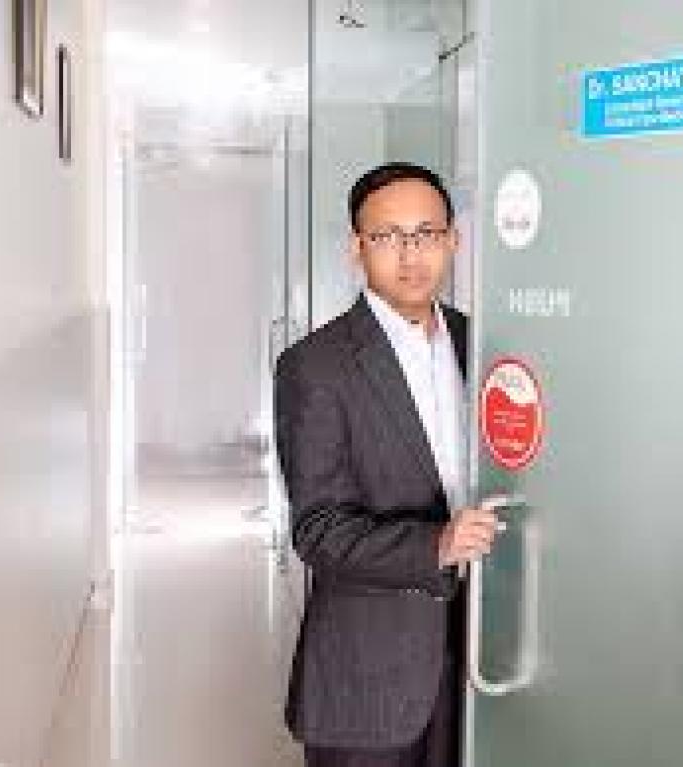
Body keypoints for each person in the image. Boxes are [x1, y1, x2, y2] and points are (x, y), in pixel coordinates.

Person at [274, 162, 500, 767]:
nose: (410, 255)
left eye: (427, 234)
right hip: (367, 674)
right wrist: (436, 544)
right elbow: (318, 529)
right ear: (357, 248)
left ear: (453, 240)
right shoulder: (315, 366)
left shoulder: (482, 343)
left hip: (478, 656)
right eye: (387, 236)